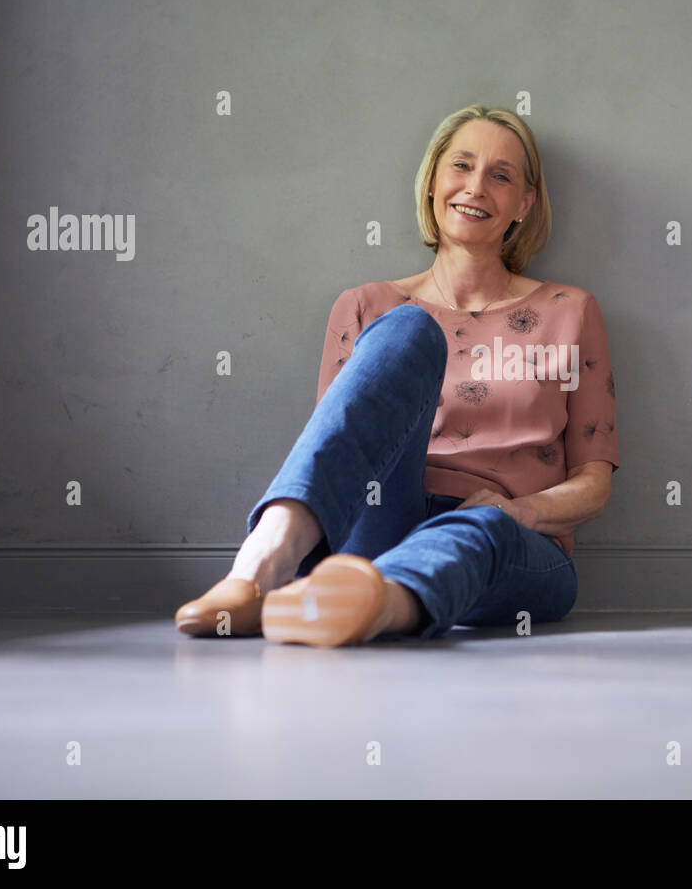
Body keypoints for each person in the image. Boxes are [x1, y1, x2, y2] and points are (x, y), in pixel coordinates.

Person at [175, 103, 620, 646]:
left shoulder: (569, 310)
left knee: (481, 530)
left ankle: (371, 602)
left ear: (524, 203)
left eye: (501, 176)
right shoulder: (366, 305)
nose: (476, 186)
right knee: (408, 329)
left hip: (511, 540)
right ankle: (257, 571)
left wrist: (518, 510)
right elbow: (341, 446)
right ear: (433, 182)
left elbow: (594, 484)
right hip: (380, 519)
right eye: (461, 166)